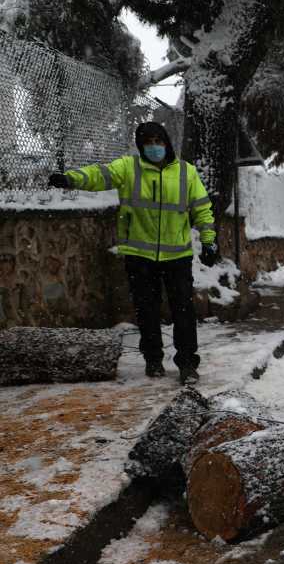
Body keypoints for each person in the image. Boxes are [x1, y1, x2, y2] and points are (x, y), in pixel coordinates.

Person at [48, 121, 218, 385]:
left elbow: (203, 209)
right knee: (147, 311)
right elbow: (99, 175)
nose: (154, 147)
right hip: (139, 256)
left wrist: (209, 242)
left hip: (177, 257)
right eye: (148, 142)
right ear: (141, 146)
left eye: (158, 141)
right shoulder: (129, 168)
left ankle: (187, 364)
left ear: (167, 143)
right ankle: (153, 360)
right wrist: (71, 179)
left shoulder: (187, 172)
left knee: (183, 311)